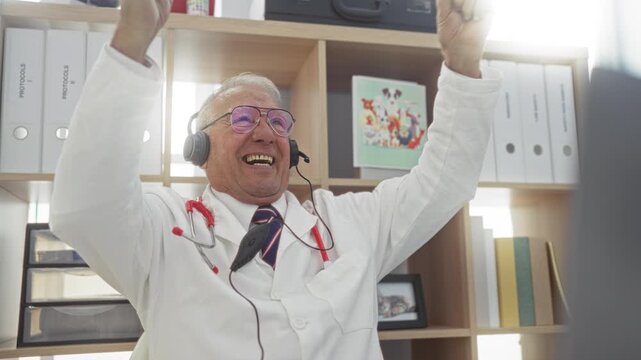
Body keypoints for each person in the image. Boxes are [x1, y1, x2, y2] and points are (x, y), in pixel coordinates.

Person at [49, 0, 501, 358]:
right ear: (199, 150)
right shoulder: (163, 232)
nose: (266, 131)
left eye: (278, 122)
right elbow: (85, 208)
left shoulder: (349, 222)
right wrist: (131, 43)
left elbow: (446, 182)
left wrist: (463, 64)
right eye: (242, 118)